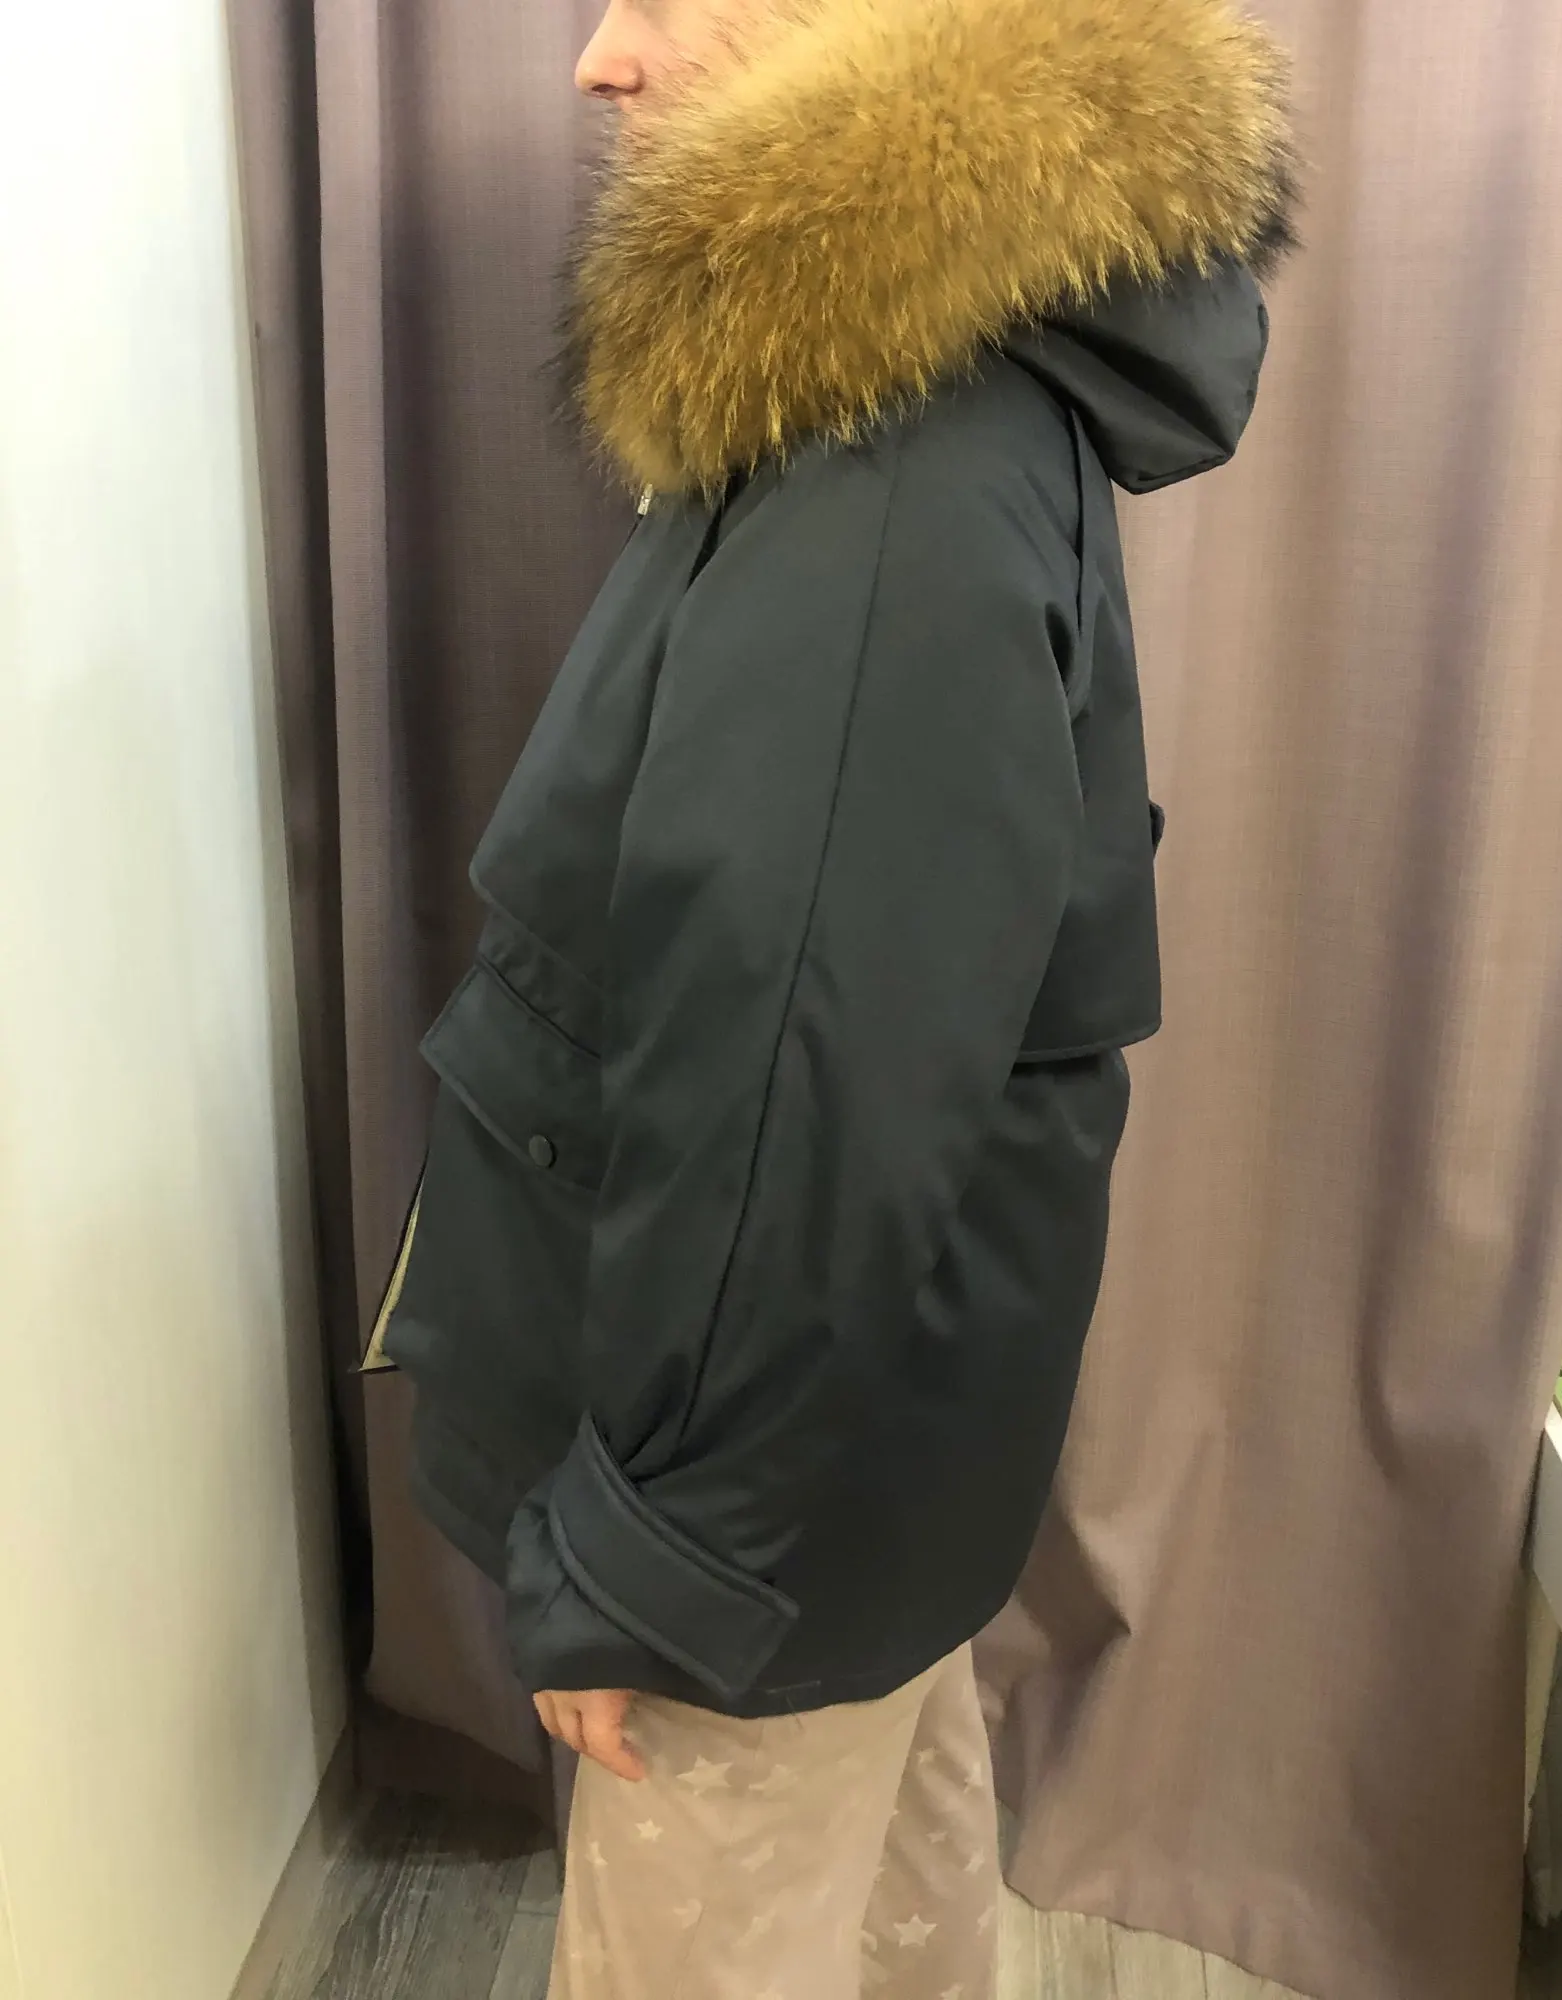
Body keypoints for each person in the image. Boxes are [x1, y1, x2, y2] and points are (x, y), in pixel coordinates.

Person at [376, 0, 1294, 1993]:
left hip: (758, 1486)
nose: (596, 61)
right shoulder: (906, 396)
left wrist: (651, 1557)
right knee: (886, 1896)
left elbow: (797, 1072)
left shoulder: (886, 460)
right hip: (850, 1444)